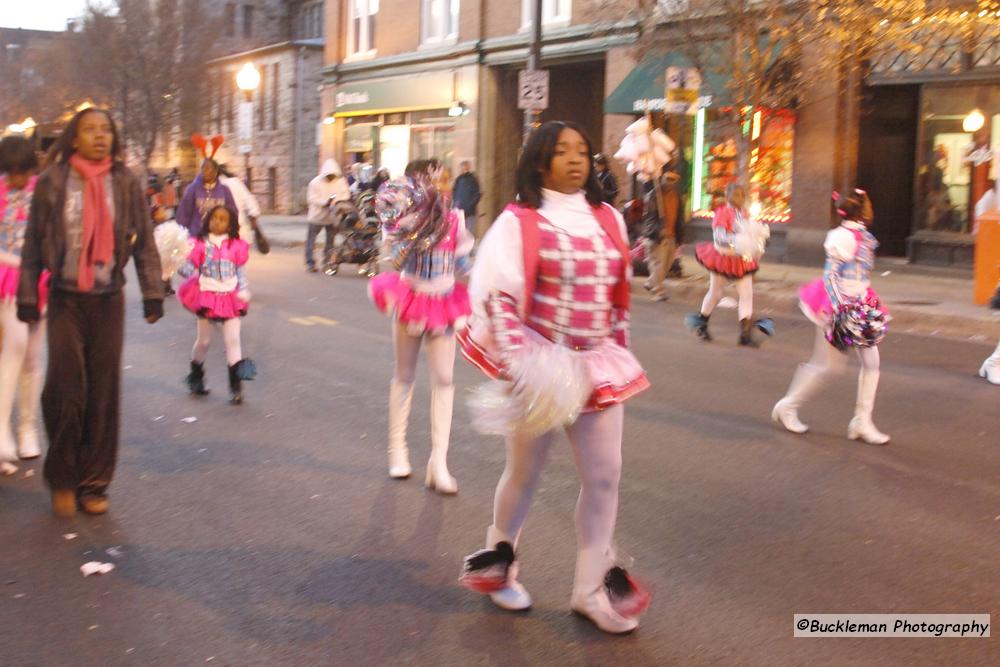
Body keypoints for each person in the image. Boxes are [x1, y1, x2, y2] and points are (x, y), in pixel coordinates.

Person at [456, 121, 651, 634]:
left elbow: (619, 295)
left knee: (605, 476)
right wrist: (521, 365)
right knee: (524, 473)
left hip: (597, 363)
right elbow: (498, 295)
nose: (574, 160)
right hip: (539, 365)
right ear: (540, 161)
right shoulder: (519, 220)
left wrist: (619, 349)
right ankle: (501, 566)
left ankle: (590, 590)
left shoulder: (608, 217)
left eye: (582, 151)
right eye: (561, 151)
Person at [17, 107, 164, 516]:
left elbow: (145, 243)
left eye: (106, 130)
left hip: (108, 298)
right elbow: (32, 244)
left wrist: (152, 292)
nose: (100, 136)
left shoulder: (126, 181)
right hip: (65, 297)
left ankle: (94, 482)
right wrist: (29, 296)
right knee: (65, 388)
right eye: (90, 129)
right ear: (74, 138)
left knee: (103, 392)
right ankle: (62, 477)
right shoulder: (53, 181)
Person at [368, 159, 473, 494]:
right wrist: (410, 228)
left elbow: (462, 261)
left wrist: (487, 280)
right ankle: (397, 450)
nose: (440, 186)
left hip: (444, 301)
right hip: (411, 298)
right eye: (433, 180)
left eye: (445, 180)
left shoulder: (455, 218)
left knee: (444, 379)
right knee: (405, 374)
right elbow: (391, 256)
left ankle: (438, 462)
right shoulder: (403, 219)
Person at [772, 188, 891, 445]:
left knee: (871, 362)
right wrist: (839, 309)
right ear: (862, 211)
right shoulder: (842, 237)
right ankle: (788, 406)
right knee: (828, 366)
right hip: (840, 307)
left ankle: (862, 421)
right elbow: (831, 276)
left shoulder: (859, 235)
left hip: (860, 302)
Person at [0, 136, 48, 475]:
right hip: (6, 275)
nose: (17, 177)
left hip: (39, 278)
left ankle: (28, 427)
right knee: (14, 345)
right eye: (11, 171)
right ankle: (1, 427)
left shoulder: (42, 191)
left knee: (32, 355)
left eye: (22, 171)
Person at [177, 205, 256, 405]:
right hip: (207, 296)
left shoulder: (236, 245)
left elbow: (240, 272)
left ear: (230, 225)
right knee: (204, 342)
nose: (217, 222)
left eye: (223, 219)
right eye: (214, 218)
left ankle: (236, 387)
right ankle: (196, 376)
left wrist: (243, 290)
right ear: (208, 220)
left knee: (233, 341)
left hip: (230, 297)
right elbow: (187, 271)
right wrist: (177, 258)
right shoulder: (199, 244)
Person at [686, 183, 772, 346]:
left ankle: (745, 335)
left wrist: (757, 241)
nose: (740, 197)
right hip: (723, 258)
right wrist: (740, 240)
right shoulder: (722, 213)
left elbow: (750, 234)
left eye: (742, 194)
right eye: (736, 194)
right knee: (716, 293)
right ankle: (701, 324)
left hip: (740, 259)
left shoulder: (744, 214)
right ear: (728, 196)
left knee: (746, 293)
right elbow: (719, 237)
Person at [175, 148, 237, 236]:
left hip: (219, 238)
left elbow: (232, 213)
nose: (204, 171)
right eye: (202, 168)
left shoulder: (225, 190)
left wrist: (231, 231)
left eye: (207, 168)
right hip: (196, 237)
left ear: (215, 172)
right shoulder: (192, 189)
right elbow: (183, 214)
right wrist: (181, 236)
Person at [305, 159, 351, 273]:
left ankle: (327, 262)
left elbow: (346, 194)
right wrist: (324, 202)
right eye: (329, 176)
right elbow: (311, 198)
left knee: (330, 241)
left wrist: (337, 202)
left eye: (332, 176)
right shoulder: (315, 183)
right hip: (317, 216)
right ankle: (310, 263)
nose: (330, 178)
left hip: (333, 216)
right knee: (312, 241)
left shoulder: (341, 181)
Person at [218, 165, 262, 244]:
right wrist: (253, 217)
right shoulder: (236, 182)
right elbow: (251, 202)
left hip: (221, 231)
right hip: (239, 228)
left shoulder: (215, 185)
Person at [452, 160, 482, 233]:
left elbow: (477, 194)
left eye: (465, 167)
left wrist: (470, 205)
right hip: (459, 210)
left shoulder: (473, 179)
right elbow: (454, 193)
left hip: (469, 211)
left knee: (469, 232)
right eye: (462, 168)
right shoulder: (458, 180)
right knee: (460, 232)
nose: (463, 169)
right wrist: (456, 205)